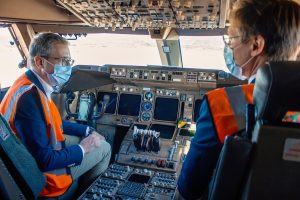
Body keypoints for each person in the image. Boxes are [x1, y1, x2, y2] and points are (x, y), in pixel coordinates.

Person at [177, 0, 300, 199]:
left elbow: (188, 188)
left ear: (256, 45)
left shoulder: (221, 105)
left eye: (231, 39)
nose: (230, 46)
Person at [0, 33, 111, 198]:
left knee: (94, 139)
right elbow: (46, 160)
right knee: (105, 148)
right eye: (63, 61)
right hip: (44, 180)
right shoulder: (30, 99)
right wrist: (84, 147)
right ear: (39, 62)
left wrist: (86, 130)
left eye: (69, 61)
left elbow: (52, 122)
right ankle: (84, 194)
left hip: (31, 157)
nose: (67, 67)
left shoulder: (28, 84)